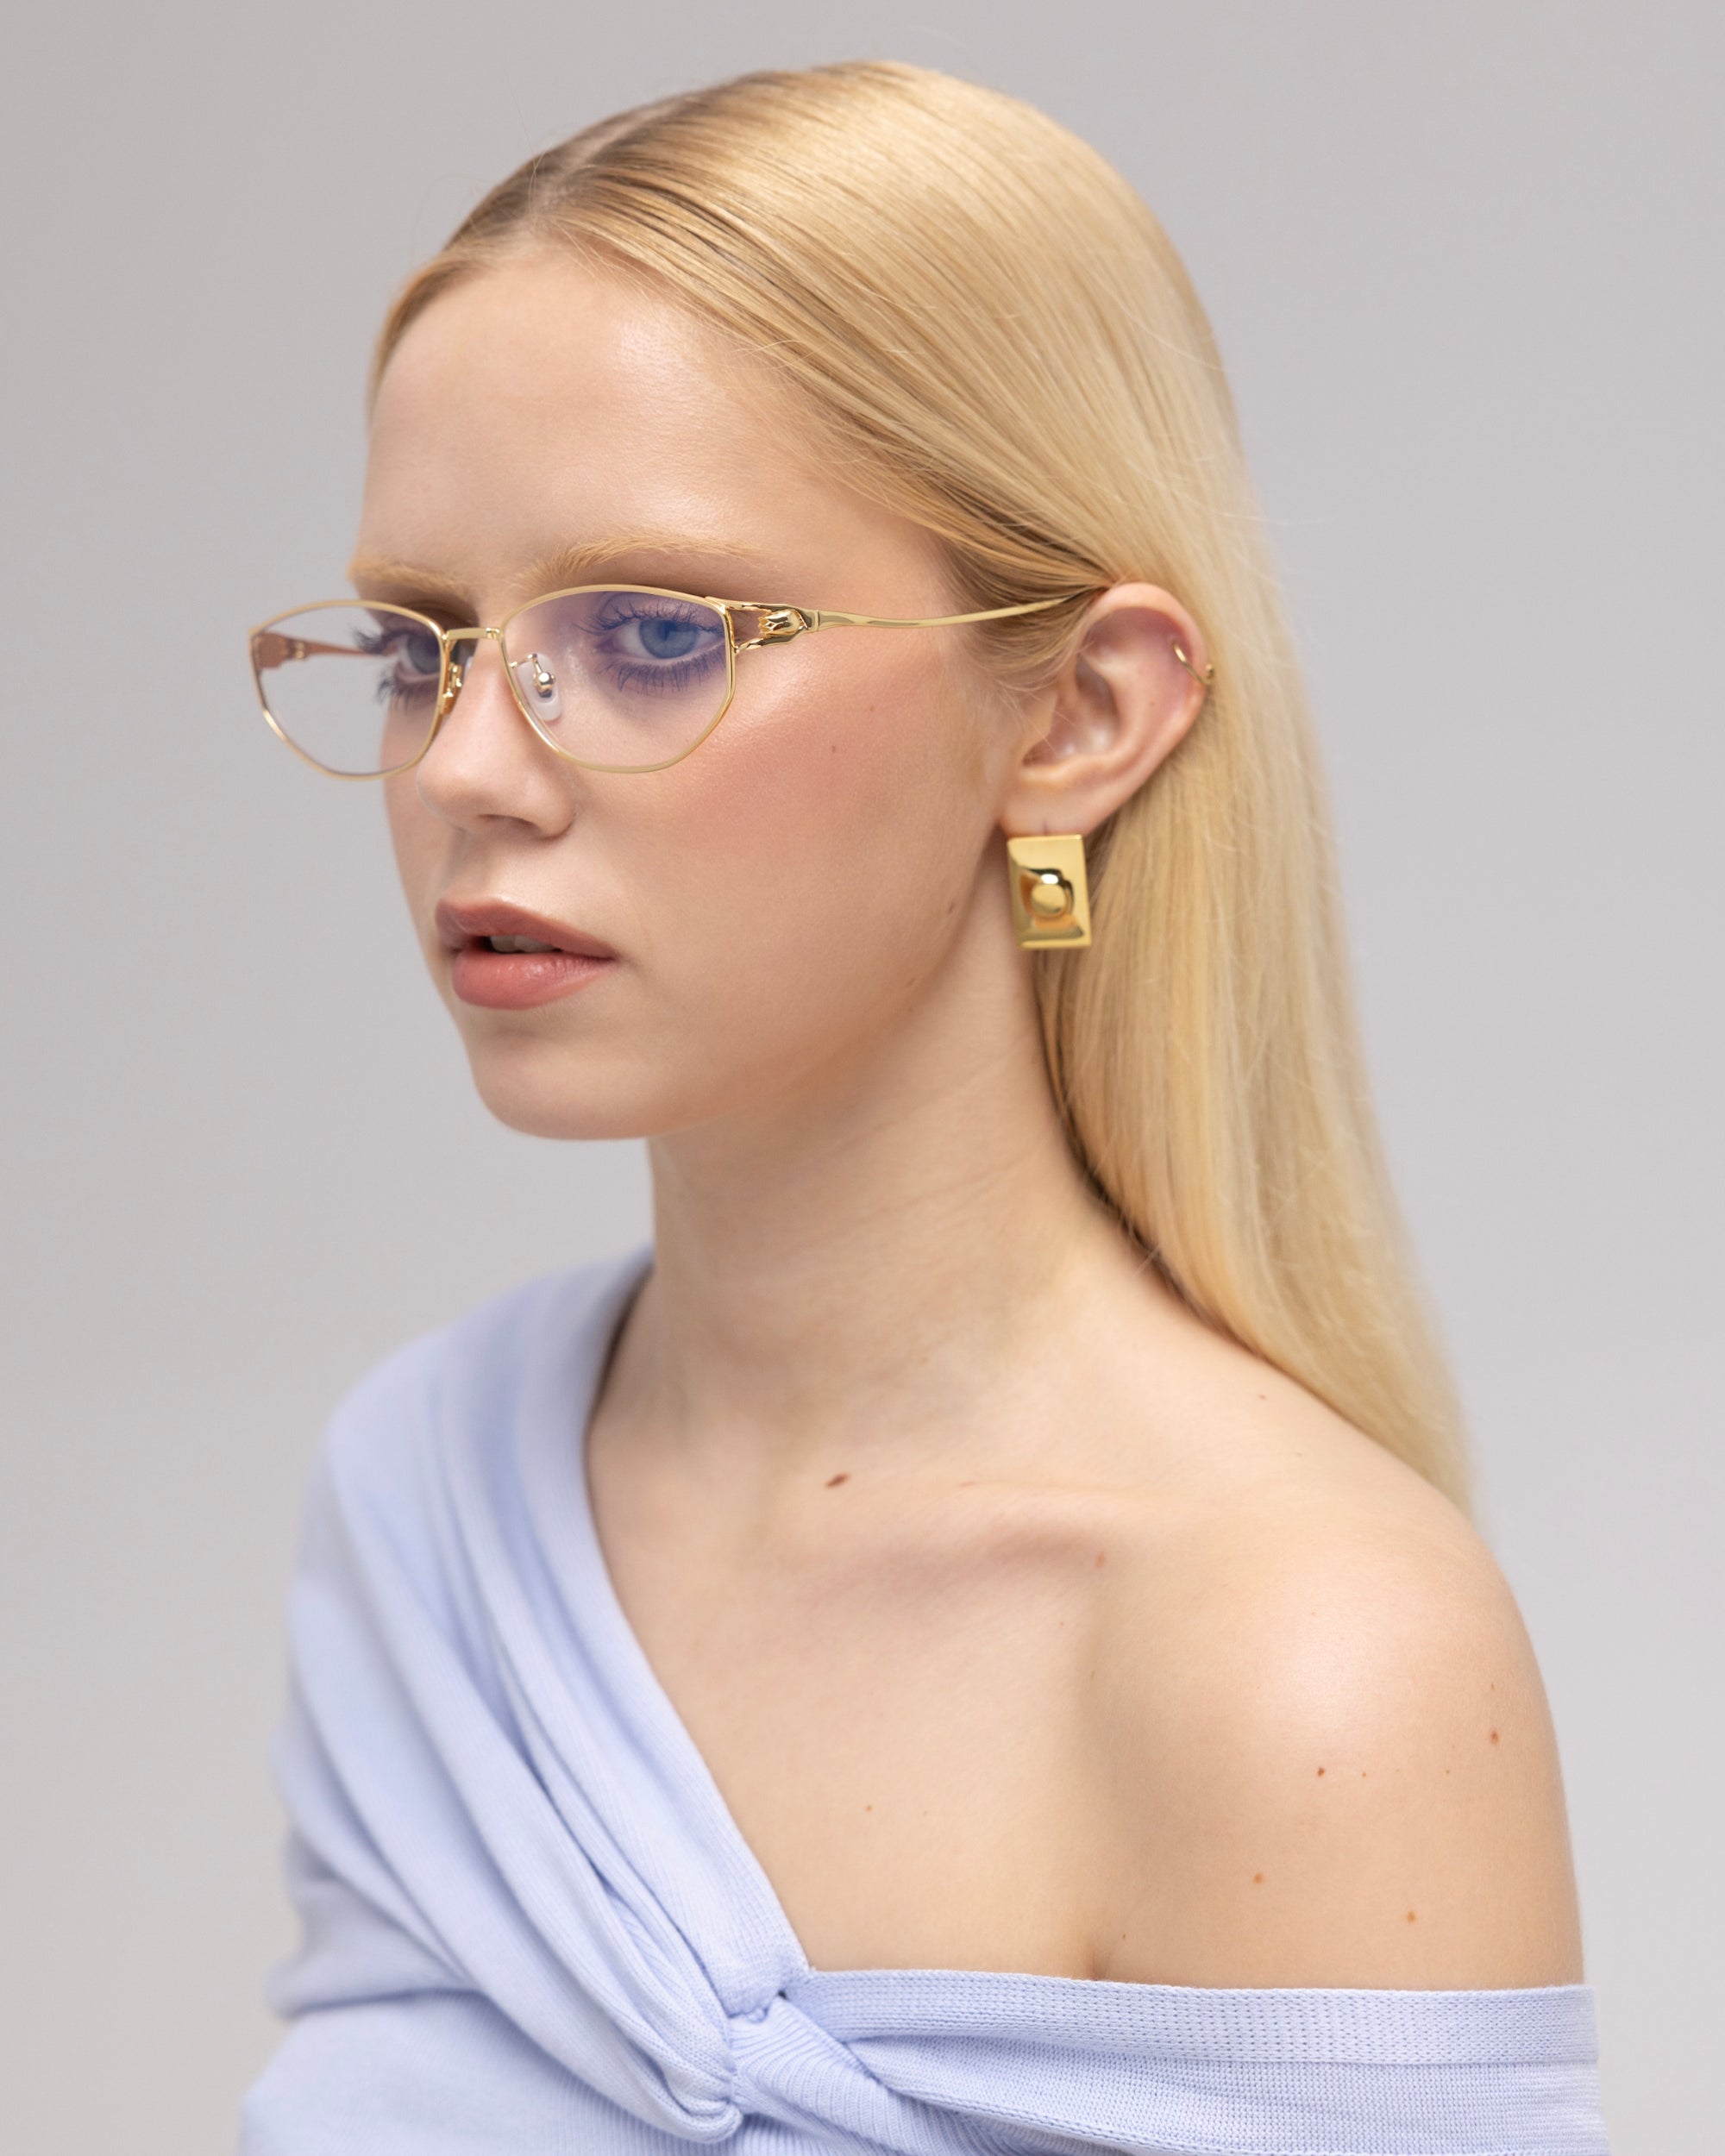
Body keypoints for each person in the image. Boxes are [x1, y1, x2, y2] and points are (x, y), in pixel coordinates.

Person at [239, 59, 1608, 2154]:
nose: (463, 770)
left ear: (1073, 713)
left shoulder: (1296, 1661)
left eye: (652, 631)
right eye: (425, 644)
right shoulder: (428, 1496)